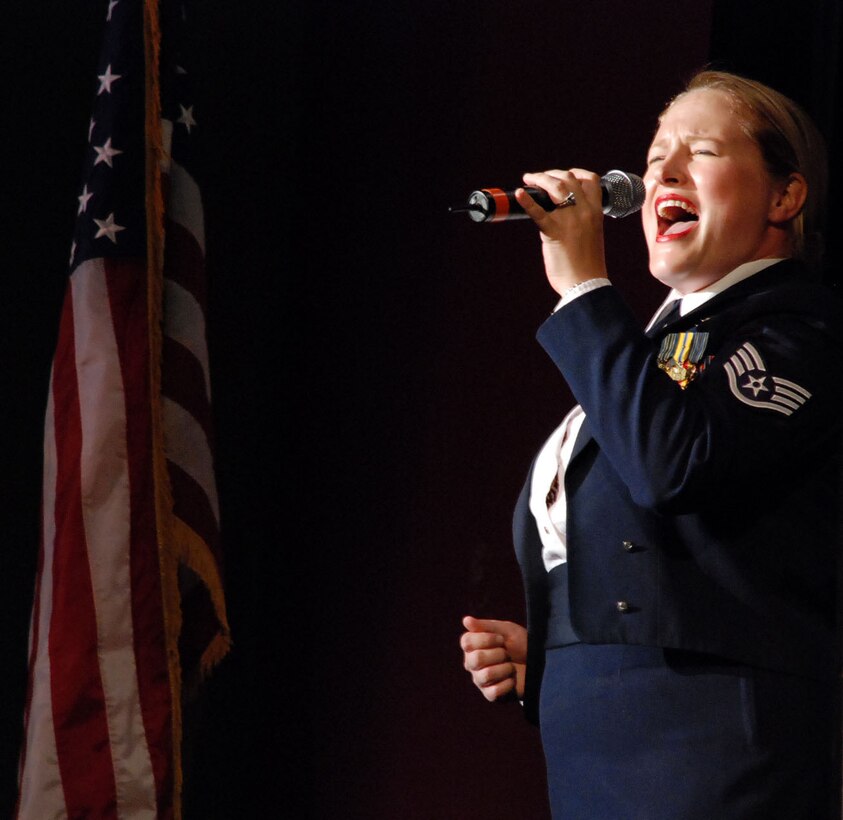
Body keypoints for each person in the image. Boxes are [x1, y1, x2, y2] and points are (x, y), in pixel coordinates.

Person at [459, 70, 842, 819]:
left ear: (783, 197)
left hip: (710, 744)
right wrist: (561, 646)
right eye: (654, 152)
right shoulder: (653, 351)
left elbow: (673, 466)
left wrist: (582, 290)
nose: (658, 170)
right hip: (600, 740)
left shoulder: (801, 330)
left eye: (698, 150)